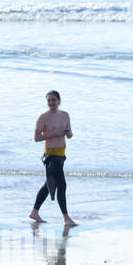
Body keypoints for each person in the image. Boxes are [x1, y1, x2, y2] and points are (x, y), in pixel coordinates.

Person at [30, 90, 76, 226]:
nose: (51, 102)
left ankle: (34, 212)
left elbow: (70, 135)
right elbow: (36, 138)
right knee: (61, 184)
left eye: (54, 100)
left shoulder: (65, 115)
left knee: (49, 185)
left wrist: (68, 133)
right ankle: (66, 218)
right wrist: (53, 133)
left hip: (61, 155)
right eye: (49, 100)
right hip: (50, 156)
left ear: (59, 101)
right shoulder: (43, 117)